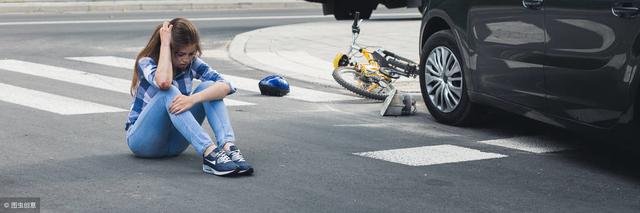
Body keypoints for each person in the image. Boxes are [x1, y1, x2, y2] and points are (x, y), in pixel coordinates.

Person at [125, 18, 253, 176]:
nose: (186, 59)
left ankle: (228, 147)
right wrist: (165, 43)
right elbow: (164, 82)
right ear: (169, 48)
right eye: (180, 54)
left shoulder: (192, 62)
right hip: (144, 142)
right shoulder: (147, 62)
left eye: (191, 53)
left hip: (175, 145)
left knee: (208, 87)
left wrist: (193, 99)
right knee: (168, 91)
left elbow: (226, 86)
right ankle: (209, 153)